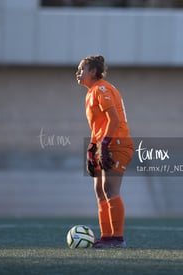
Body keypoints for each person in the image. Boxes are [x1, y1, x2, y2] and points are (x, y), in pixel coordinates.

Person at [76, 55, 134, 248]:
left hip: (117, 143)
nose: (78, 72)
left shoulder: (101, 89)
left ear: (93, 71)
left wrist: (104, 144)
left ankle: (117, 239)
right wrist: (92, 149)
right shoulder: (91, 92)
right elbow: (98, 127)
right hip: (104, 144)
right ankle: (107, 236)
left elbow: (114, 120)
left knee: (110, 188)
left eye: (82, 69)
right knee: (99, 190)